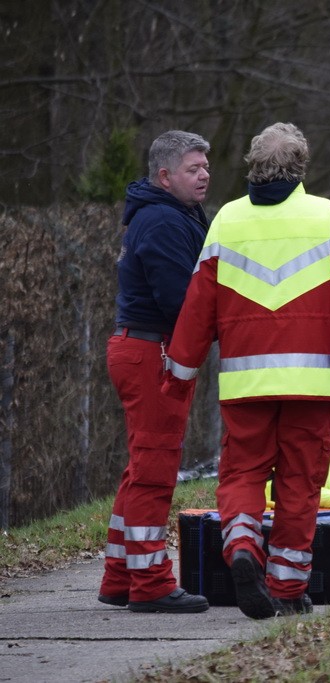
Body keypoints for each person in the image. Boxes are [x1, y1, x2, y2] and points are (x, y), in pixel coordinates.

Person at [161, 122, 330, 619]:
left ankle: (242, 547)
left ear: (253, 165)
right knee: (300, 481)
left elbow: (198, 306)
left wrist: (178, 372)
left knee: (242, 472)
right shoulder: (327, 217)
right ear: (301, 165)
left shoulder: (225, 221)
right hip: (312, 383)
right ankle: (287, 589)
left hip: (246, 383)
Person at [99, 130, 212, 613]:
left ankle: (120, 576)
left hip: (140, 350)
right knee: (155, 470)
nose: (204, 174)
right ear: (165, 176)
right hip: (152, 354)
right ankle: (151, 583)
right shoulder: (164, 221)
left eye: (206, 166)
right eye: (193, 168)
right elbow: (179, 302)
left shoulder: (165, 214)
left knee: (141, 467)